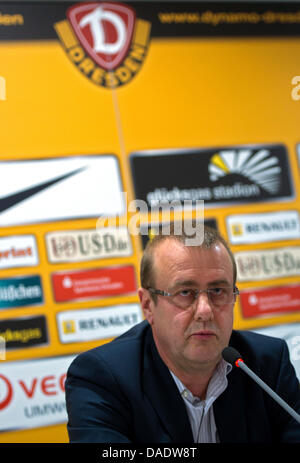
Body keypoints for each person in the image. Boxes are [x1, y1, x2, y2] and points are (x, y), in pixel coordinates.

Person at [65, 223, 300, 442]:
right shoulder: (102, 379)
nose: (205, 311)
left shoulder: (267, 364)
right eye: (186, 292)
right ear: (148, 305)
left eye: (218, 290)